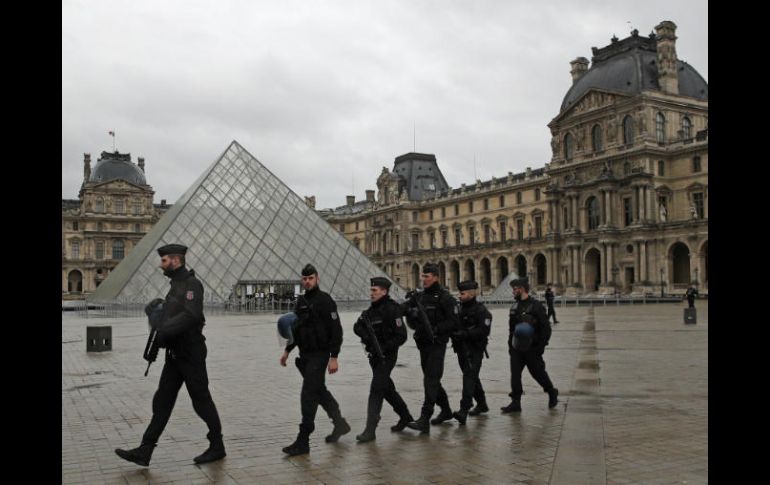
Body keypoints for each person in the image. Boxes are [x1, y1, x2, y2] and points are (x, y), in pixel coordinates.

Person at [115, 244, 225, 467]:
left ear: (176, 260)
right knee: (162, 400)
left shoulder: (192, 284)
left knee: (201, 401)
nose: (160, 264)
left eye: (164, 260)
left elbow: (192, 315)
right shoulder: (176, 285)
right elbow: (173, 313)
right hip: (175, 355)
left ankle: (217, 446)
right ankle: (145, 450)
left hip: (191, 354)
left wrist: (165, 328)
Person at [279, 264, 350, 456]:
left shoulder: (325, 301)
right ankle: (340, 424)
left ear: (317, 278)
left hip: (320, 355)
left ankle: (303, 441)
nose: (307, 281)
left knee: (308, 394)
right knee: (319, 392)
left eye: (310, 278)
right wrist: (287, 351)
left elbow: (337, 331)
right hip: (305, 355)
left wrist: (334, 357)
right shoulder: (300, 301)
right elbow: (296, 329)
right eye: (304, 279)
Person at [352, 277, 413, 442]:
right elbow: (356, 327)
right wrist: (366, 336)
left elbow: (402, 336)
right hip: (374, 356)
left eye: (375, 290)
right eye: (371, 290)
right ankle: (406, 416)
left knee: (376, 389)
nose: (371, 293)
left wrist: (385, 347)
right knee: (387, 388)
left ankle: (370, 430)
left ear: (384, 291)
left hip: (387, 356)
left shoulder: (393, 310)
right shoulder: (370, 312)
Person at [403, 263, 459, 433]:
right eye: (422, 276)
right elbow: (404, 309)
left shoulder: (445, 298)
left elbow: (454, 322)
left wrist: (437, 329)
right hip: (423, 344)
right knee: (432, 379)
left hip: (437, 344)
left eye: (427, 276)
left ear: (435, 277)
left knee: (430, 380)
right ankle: (447, 410)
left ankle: (424, 418)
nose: (424, 279)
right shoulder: (419, 297)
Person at [501, 277, 559, 413]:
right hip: (517, 348)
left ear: (521, 289)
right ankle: (516, 402)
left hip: (532, 348)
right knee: (515, 375)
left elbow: (546, 328)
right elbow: (511, 329)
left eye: (515, 289)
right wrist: (510, 346)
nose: (513, 292)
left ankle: (551, 391)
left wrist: (540, 347)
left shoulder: (536, 306)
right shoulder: (514, 306)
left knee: (537, 373)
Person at [450, 280, 492, 424]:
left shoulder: (482, 311)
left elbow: (484, 330)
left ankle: (464, 410)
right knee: (472, 376)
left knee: (468, 377)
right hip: (461, 349)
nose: (459, 296)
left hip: (474, 349)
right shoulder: (459, 309)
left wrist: (465, 334)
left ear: (471, 293)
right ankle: (482, 404)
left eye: (462, 293)